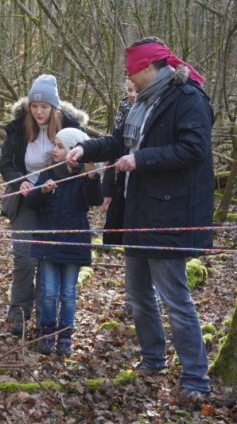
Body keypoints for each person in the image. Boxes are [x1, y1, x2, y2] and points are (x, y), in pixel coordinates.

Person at [67, 37, 213, 398]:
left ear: (150, 68)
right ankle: (153, 358)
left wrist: (141, 159)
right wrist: (86, 147)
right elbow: (119, 142)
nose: (130, 79)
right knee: (138, 293)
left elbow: (193, 150)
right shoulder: (142, 103)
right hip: (136, 212)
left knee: (175, 297)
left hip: (170, 215)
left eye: (133, 72)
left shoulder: (188, 98)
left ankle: (196, 379)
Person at [0, 74, 89, 337]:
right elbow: (6, 164)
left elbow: (82, 163)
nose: (38, 112)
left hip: (57, 201)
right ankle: (19, 313)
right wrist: (20, 182)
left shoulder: (72, 129)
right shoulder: (17, 128)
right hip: (25, 199)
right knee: (24, 257)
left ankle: (44, 316)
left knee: (46, 258)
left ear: (54, 107)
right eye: (34, 106)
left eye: (44, 107)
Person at [22, 128, 102, 356]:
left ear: (74, 152)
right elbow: (32, 204)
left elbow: (94, 199)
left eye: (60, 146)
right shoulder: (49, 172)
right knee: (48, 292)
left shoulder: (84, 176)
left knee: (68, 293)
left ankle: (65, 336)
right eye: (54, 145)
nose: (54, 150)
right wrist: (43, 191)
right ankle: (47, 333)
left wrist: (92, 176)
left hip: (74, 242)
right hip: (48, 242)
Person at [102, 79, 137, 245]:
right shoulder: (123, 112)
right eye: (129, 90)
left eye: (136, 90)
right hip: (119, 182)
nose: (132, 95)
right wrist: (107, 191)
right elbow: (113, 152)